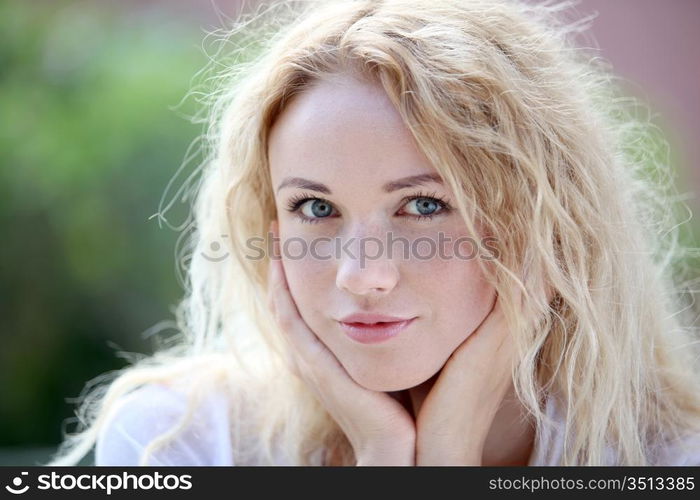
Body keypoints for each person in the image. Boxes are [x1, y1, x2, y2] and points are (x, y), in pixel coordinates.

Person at [47, 0, 700, 466]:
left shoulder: (666, 460)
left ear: (544, 224)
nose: (361, 275)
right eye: (314, 208)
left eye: (422, 206)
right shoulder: (178, 442)